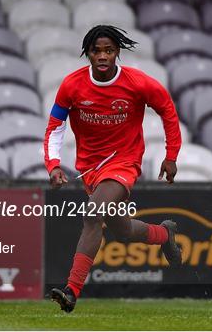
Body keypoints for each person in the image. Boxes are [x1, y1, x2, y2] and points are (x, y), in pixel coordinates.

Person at [43, 25, 183, 313]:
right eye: (97, 51)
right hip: (90, 168)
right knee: (122, 231)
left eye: (109, 50)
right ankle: (163, 234)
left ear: (117, 52)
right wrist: (53, 165)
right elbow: (55, 127)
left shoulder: (138, 83)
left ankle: (72, 290)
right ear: (88, 54)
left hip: (124, 162)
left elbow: (167, 109)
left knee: (92, 215)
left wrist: (171, 155)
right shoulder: (72, 85)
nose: (103, 55)